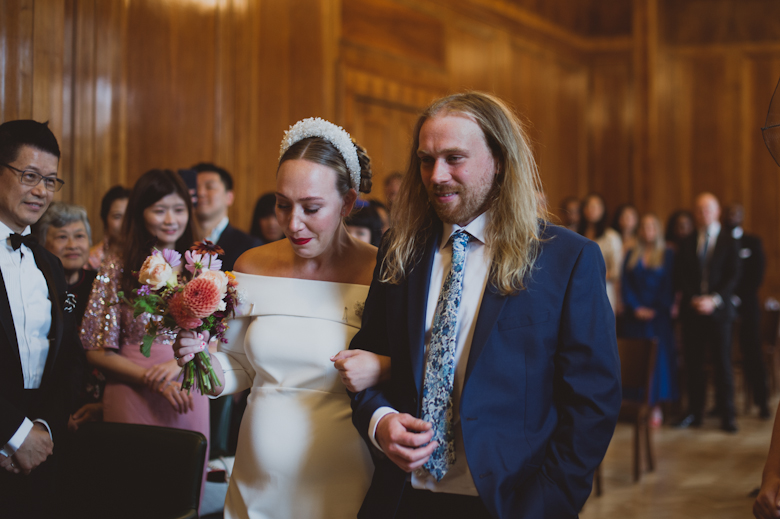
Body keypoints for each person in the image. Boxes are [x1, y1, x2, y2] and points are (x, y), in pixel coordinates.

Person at [349, 92, 621, 519]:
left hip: (510, 501)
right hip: (403, 497)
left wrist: (549, 502)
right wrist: (380, 421)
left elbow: (594, 400)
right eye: (426, 160)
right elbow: (370, 359)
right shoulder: (399, 248)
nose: (436, 175)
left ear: (499, 160)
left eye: (454, 158)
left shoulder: (566, 258)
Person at [173, 117, 389, 519]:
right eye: (282, 204)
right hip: (257, 477)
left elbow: (412, 371)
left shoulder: (383, 273)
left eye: (311, 208)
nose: (292, 223)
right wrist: (198, 360)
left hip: (346, 476)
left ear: (347, 202)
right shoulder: (250, 266)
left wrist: (381, 366)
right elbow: (237, 368)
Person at [80, 170, 210, 491]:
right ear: (140, 213)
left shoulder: (202, 268)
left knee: (182, 492)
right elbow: (95, 349)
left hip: (186, 392)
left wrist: (177, 366)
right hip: (131, 392)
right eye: (159, 209)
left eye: (179, 209)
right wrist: (150, 379)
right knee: (129, 493)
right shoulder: (117, 267)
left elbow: (216, 341)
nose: (171, 220)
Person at [0, 120, 85, 518]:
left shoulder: (49, 265)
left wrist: (43, 432)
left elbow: (67, 359)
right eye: (29, 176)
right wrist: (13, 434)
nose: (41, 192)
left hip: (43, 451)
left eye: (50, 181)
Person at [674, 192, 740, 433]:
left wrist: (713, 299)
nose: (704, 214)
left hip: (720, 312)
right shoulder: (689, 240)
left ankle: (728, 415)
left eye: (708, 209)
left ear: (717, 211)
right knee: (694, 365)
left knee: (723, 364)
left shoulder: (728, 240)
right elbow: (682, 274)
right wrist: (695, 298)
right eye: (700, 210)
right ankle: (694, 412)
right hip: (693, 312)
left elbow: (733, 275)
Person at [621, 213, 678, 411]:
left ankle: (656, 406)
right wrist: (636, 307)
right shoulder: (631, 253)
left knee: (658, 358)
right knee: (636, 358)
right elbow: (625, 283)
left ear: (658, 230)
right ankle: (635, 403)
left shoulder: (667, 254)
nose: (647, 231)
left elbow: (669, 285)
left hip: (658, 315)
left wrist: (654, 309)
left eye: (651, 226)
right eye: (644, 227)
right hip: (635, 316)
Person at [725, 203, 770, 419]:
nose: (732, 216)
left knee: (753, 353)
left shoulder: (752, 242)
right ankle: (725, 407)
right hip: (723, 306)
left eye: (736, 213)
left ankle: (762, 403)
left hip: (747, 306)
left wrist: (739, 296)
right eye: (728, 213)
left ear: (741, 216)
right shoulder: (721, 242)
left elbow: (757, 275)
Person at [193, 162, 262, 271]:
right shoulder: (177, 240)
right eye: (195, 187)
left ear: (229, 197)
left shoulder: (249, 246)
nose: (200, 193)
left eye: (210, 187)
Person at [578, 193, 623, 313]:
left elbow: (615, 270)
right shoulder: (576, 234)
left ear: (603, 210)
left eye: (596, 206)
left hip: (603, 288)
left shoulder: (611, 236)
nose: (592, 210)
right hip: (579, 287)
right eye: (589, 206)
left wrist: (591, 276)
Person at [87, 185, 129, 270]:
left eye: (130, 216)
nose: (125, 223)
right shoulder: (90, 260)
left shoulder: (149, 258)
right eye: (117, 216)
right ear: (105, 219)